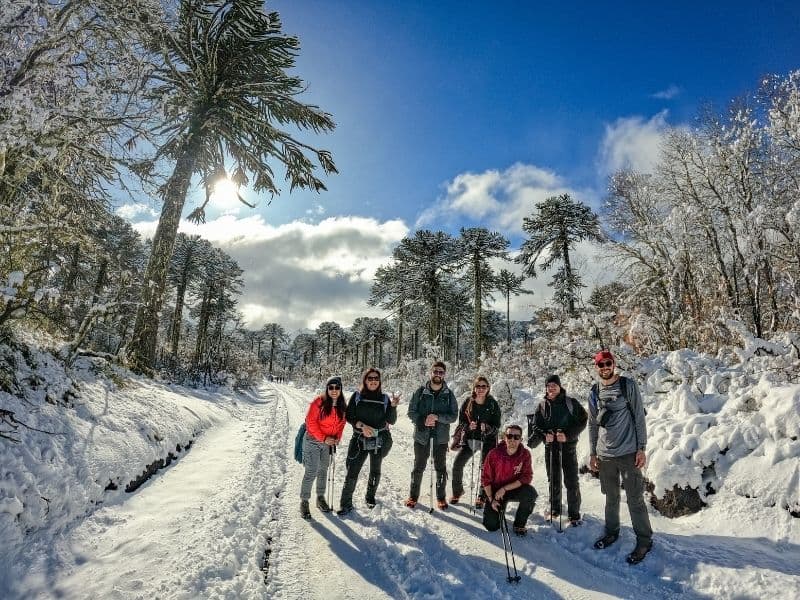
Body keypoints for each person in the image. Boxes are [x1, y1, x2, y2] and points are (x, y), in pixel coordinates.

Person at [588, 349, 654, 564]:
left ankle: (644, 540)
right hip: (605, 454)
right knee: (611, 497)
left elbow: (639, 418)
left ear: (613, 364)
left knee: (635, 499)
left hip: (628, 453)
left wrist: (641, 447)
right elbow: (592, 424)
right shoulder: (594, 391)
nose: (605, 367)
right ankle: (612, 532)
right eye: (601, 364)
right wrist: (592, 452)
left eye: (608, 363)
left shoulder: (628, 386)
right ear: (596, 368)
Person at [526, 374, 588, 525]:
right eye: (549, 386)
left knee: (571, 480)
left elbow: (583, 420)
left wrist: (567, 435)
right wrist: (544, 435)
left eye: (554, 385)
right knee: (553, 479)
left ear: (560, 387)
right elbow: (535, 425)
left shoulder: (570, 402)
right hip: (550, 447)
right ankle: (555, 509)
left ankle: (574, 514)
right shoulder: (542, 405)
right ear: (546, 388)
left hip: (568, 447)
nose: (551, 388)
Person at [337, 367, 399, 515]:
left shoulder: (384, 399)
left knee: (375, 470)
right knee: (352, 470)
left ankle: (370, 497)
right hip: (359, 438)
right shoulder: (357, 396)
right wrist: (362, 426)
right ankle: (345, 503)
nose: (373, 381)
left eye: (376, 378)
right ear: (365, 380)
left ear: (379, 381)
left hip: (378, 440)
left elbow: (391, 420)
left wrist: (393, 407)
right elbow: (349, 416)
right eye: (370, 378)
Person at [406, 360, 459, 509]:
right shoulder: (420, 391)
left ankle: (441, 497)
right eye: (435, 371)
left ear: (444, 374)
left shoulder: (449, 394)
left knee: (440, 468)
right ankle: (413, 496)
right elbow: (411, 412)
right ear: (431, 373)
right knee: (418, 467)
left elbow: (454, 416)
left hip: (440, 438)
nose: (437, 374)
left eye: (440, 372)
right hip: (422, 436)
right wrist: (423, 420)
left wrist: (437, 417)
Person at [450, 376, 502, 508]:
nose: (480, 389)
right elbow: (461, 421)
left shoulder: (492, 404)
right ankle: (457, 491)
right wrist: (468, 426)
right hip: (470, 438)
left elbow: (497, 425)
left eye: (483, 386)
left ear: (488, 388)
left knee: (485, 469)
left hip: (488, 440)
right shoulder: (468, 402)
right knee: (457, 464)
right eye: (478, 386)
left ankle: (482, 496)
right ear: (474, 388)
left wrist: (488, 428)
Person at [300, 376, 347, 519]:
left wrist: (337, 438)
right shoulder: (318, 402)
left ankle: (320, 498)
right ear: (327, 389)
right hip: (313, 440)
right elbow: (310, 422)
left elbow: (341, 423)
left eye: (337, 387)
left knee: (323, 470)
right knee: (312, 470)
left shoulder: (341, 405)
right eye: (331, 387)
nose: (334, 390)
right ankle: (304, 501)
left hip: (327, 443)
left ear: (340, 389)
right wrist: (324, 438)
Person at [481, 424, 537, 536]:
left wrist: (505, 488)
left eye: (516, 437)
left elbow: (527, 477)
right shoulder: (494, 454)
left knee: (530, 493)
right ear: (504, 437)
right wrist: (492, 500)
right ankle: (498, 507)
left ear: (521, 439)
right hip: (495, 492)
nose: (512, 439)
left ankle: (519, 524)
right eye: (509, 436)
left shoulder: (525, 454)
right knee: (491, 526)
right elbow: (485, 479)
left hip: (512, 488)